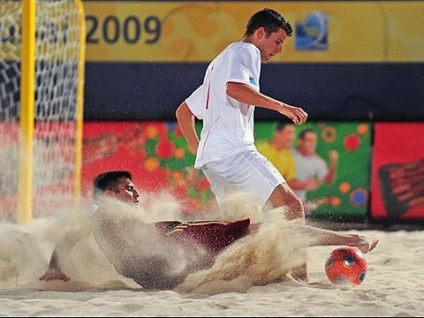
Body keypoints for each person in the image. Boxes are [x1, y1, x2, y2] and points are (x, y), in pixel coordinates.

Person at [39, 170, 379, 291]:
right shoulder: (99, 209)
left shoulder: (108, 220)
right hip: (174, 245)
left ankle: (295, 266)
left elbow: (72, 235)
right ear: (111, 193)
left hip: (159, 272)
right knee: (272, 230)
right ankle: (353, 240)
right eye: (129, 188)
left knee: (255, 243)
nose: (137, 193)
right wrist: (54, 266)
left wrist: (55, 267)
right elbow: (72, 232)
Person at [175, 8, 309, 280]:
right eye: (278, 41)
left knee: (239, 227)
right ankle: (301, 278)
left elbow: (183, 112)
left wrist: (197, 148)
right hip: (235, 152)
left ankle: (213, 270)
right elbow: (235, 89)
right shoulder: (246, 52)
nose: (280, 49)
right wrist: (282, 107)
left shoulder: (218, 64)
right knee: (292, 207)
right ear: (260, 33)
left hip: (213, 160)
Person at [292, 128, 339, 212]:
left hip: (299, 204)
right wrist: (305, 185)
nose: (312, 144)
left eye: (314, 141)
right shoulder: (289, 154)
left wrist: (333, 164)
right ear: (301, 141)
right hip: (281, 200)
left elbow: (328, 180)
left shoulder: (317, 161)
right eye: (309, 140)